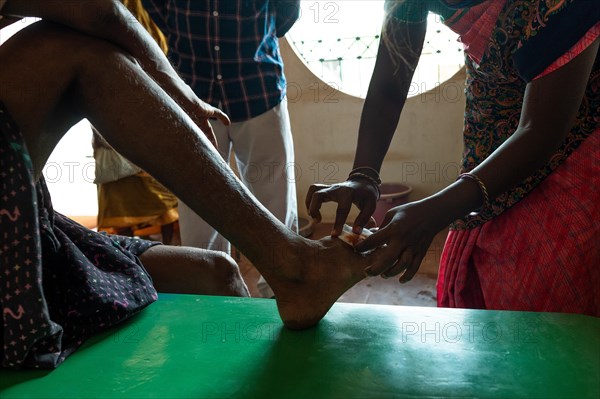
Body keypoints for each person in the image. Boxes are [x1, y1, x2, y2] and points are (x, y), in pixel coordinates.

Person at [0, 0, 370, 369]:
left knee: (218, 269)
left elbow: (286, 14)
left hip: (255, 89)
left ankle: (283, 276)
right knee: (70, 48)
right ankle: (293, 265)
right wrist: (176, 87)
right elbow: (98, 11)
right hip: (196, 84)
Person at [307, 0, 599, 316]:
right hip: (492, 132)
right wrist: (363, 175)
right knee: (486, 289)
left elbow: (541, 129)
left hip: (578, 147)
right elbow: (391, 82)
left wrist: (437, 212)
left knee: (546, 298)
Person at [142, 0, 300, 297]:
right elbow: (157, 8)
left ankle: (283, 291)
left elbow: (286, 13)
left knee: (275, 201)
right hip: (192, 96)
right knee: (198, 209)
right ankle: (211, 292)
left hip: (259, 91)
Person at [92, 0, 179, 244]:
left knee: (160, 186)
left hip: (153, 101)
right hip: (109, 101)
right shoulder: (99, 8)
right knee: (120, 189)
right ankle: (129, 254)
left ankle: (167, 250)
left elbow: (162, 48)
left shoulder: (152, 7)